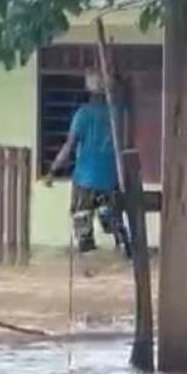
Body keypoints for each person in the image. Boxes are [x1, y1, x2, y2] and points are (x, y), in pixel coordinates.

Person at [46, 70, 129, 253]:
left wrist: (53, 170)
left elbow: (69, 146)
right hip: (110, 180)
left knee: (83, 235)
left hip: (84, 181)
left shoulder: (83, 114)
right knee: (115, 229)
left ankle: (88, 270)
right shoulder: (120, 112)